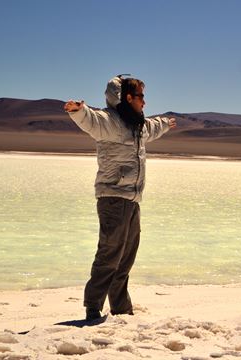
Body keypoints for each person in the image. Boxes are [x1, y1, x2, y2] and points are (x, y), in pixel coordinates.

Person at [64, 75, 176, 320]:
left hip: (132, 199)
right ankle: (93, 307)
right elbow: (91, 120)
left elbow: (153, 127)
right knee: (110, 253)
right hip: (113, 197)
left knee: (126, 256)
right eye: (141, 97)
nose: (144, 102)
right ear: (127, 98)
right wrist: (78, 111)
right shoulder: (111, 122)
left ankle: (121, 307)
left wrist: (166, 123)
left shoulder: (137, 125)